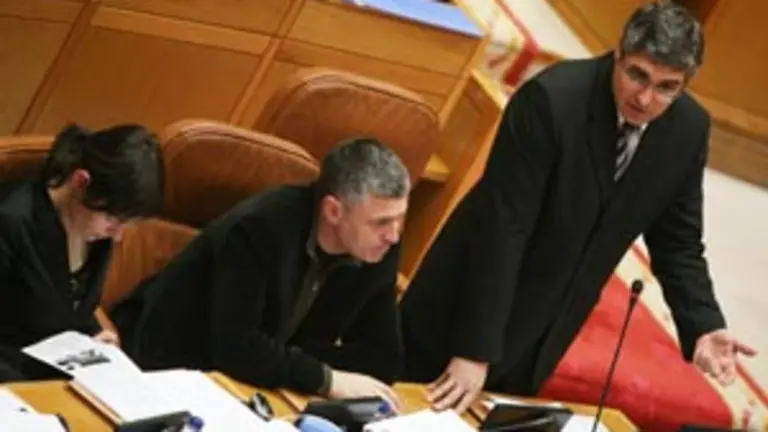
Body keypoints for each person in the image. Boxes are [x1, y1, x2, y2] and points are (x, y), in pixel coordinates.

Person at [398, 1, 757, 413]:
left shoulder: (687, 131)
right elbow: (502, 233)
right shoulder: (551, 102)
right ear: (618, 55)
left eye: (666, 87)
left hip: (545, 332)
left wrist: (704, 324)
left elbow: (678, 243)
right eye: (637, 74)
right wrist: (473, 348)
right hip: (462, 312)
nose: (645, 98)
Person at [111, 137, 410, 407]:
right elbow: (235, 348)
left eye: (400, 219)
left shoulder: (378, 248)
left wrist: (290, 363)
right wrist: (326, 378)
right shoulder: (260, 229)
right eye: (381, 222)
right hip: (170, 369)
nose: (393, 235)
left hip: (255, 387)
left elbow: (383, 360)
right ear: (333, 211)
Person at [0, 123, 165, 382]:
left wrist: (93, 340)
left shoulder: (95, 235)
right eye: (113, 218)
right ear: (80, 182)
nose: (118, 235)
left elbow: (68, 312)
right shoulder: (11, 221)